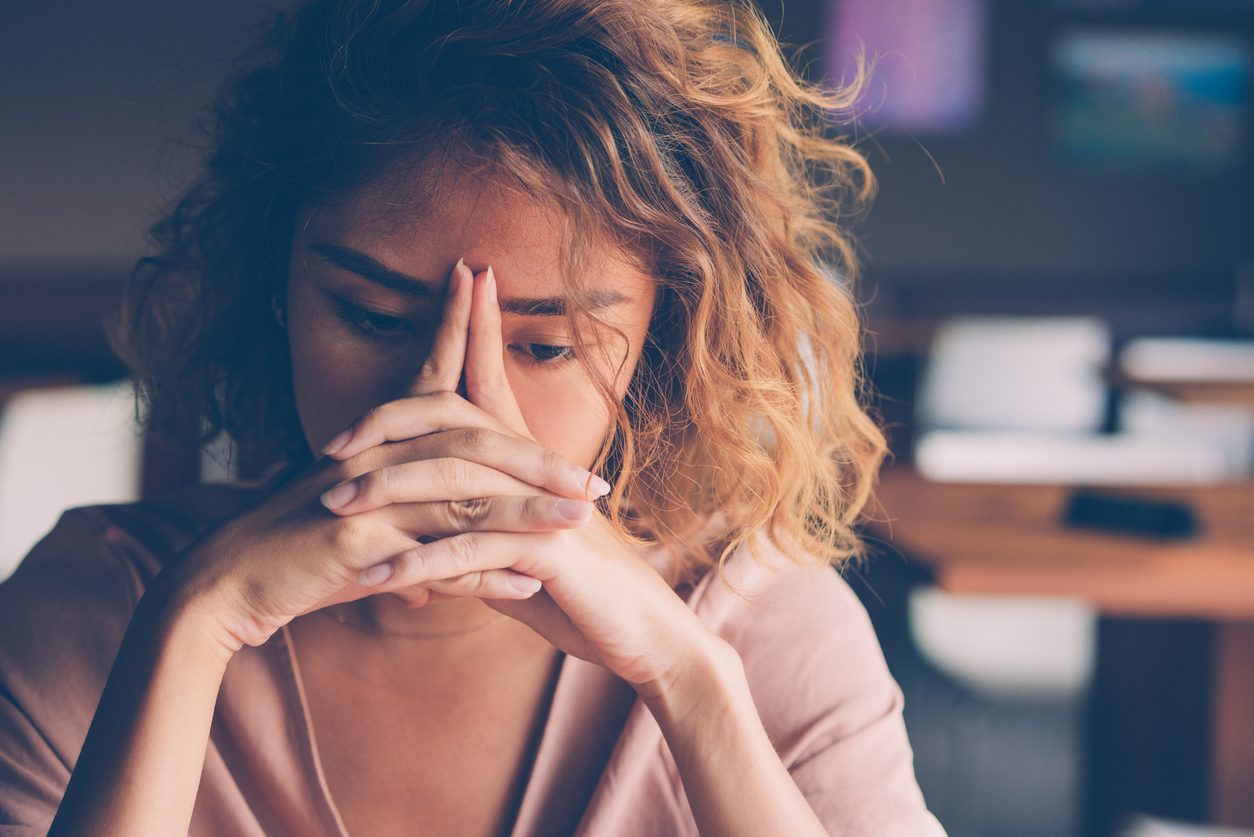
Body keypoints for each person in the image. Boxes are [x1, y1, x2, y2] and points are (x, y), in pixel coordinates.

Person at [0, 0, 946, 834]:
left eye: (546, 345)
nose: (449, 407)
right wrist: (195, 626)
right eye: (371, 317)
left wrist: (693, 691)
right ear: (276, 283)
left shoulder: (761, 634)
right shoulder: (99, 610)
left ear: (663, 339)